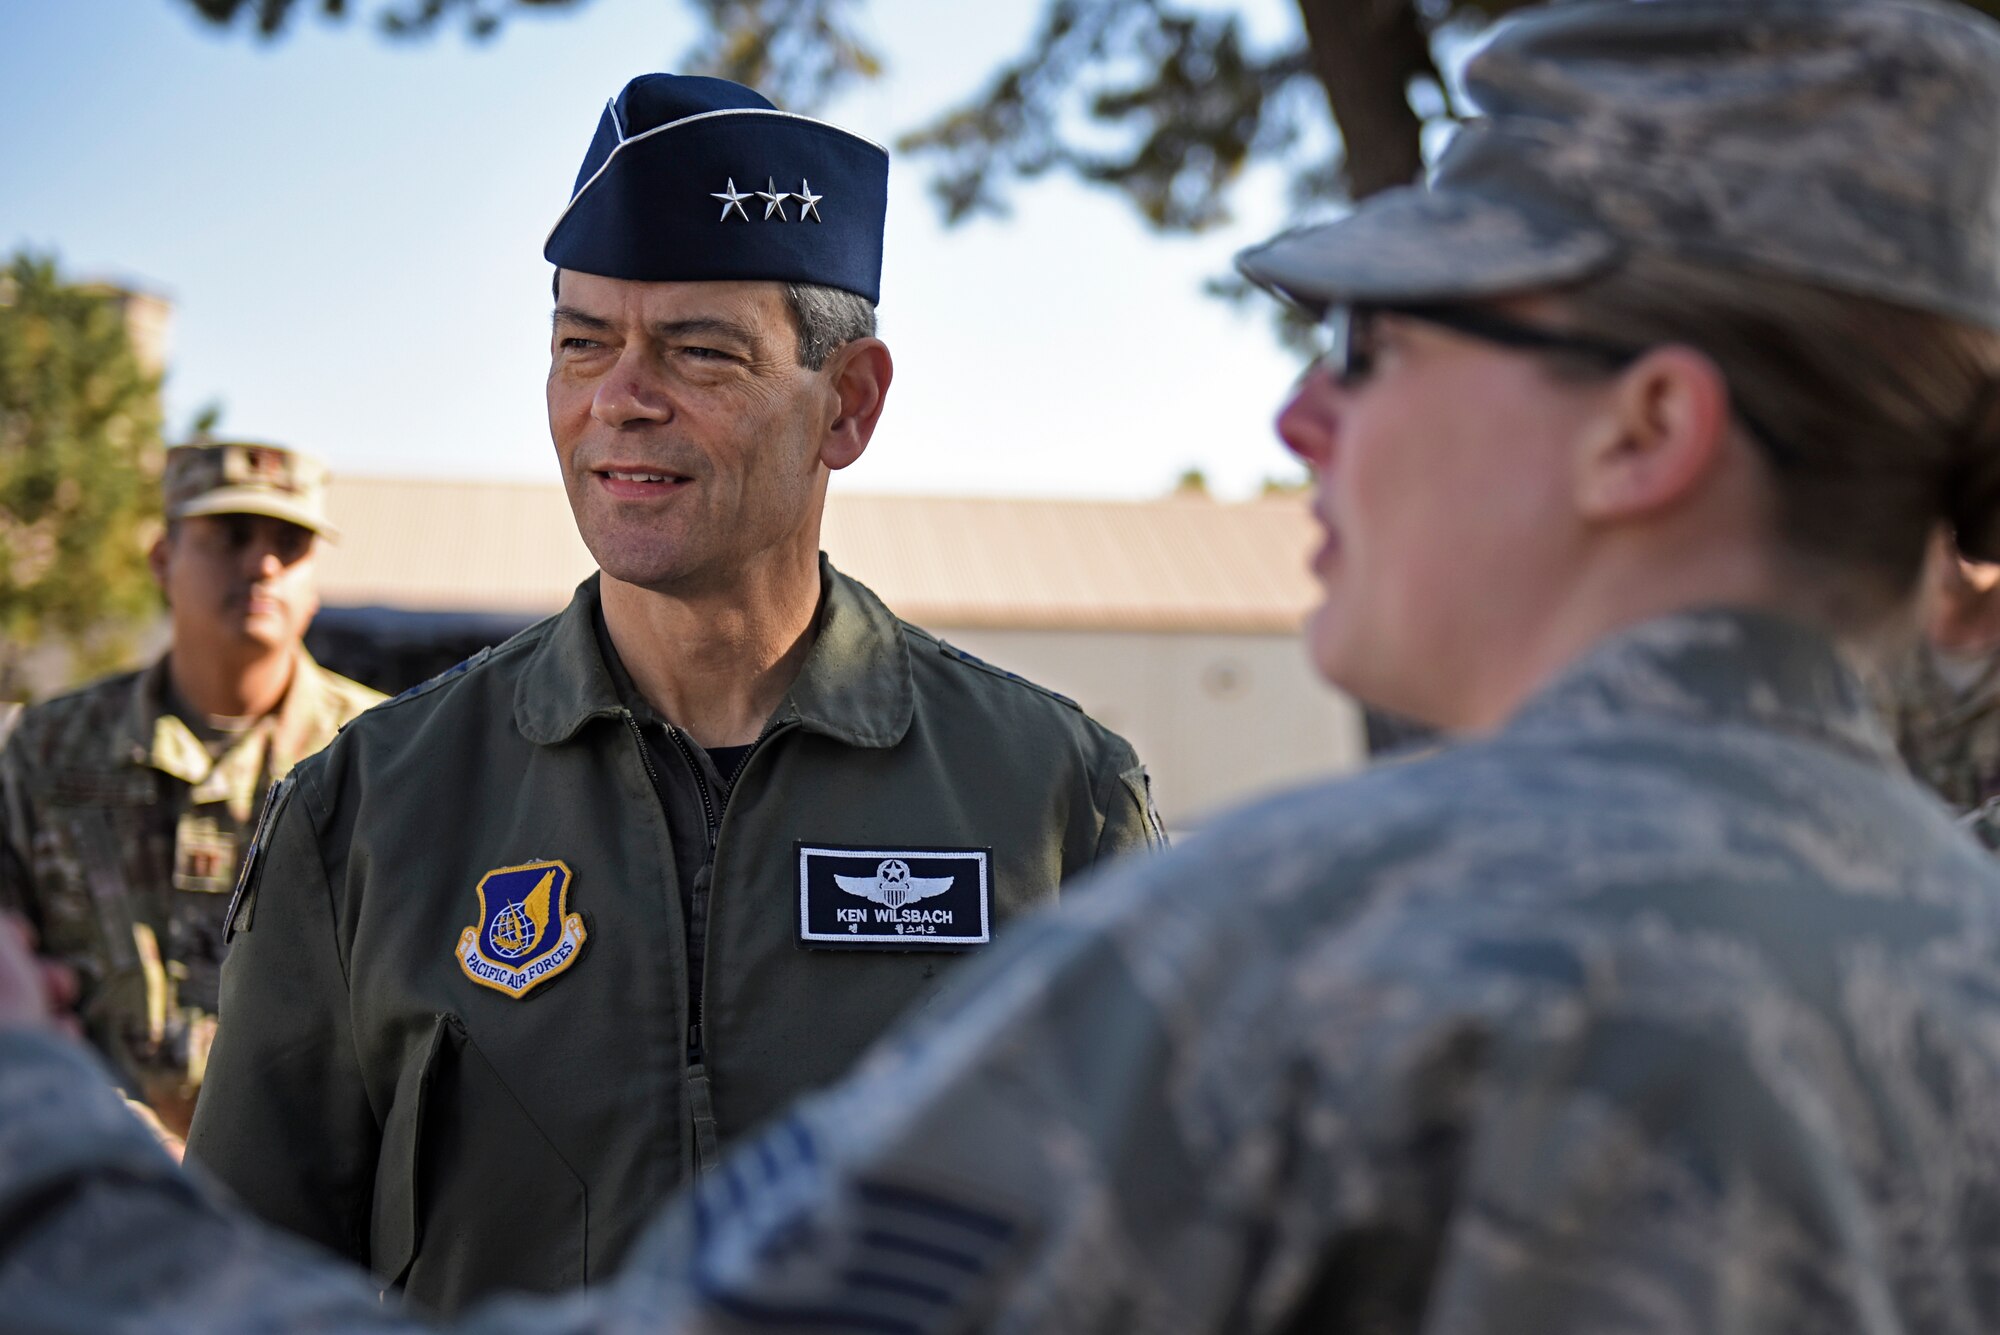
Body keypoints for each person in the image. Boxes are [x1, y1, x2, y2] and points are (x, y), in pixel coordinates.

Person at [14, 0, 2000, 1330]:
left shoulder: (1307, 936)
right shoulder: (1953, 943)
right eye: (579, 338)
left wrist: (30, 1124)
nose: (1301, 423)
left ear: (1640, 432)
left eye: (1380, 347)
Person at [185, 72, 1162, 1315]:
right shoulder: (367, 812)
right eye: (582, 343)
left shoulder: (1051, 799)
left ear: (847, 406)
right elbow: (231, 1287)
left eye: (699, 350)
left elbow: (1164, 1263)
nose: (619, 399)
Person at [0, 442, 381, 1145]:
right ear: (161, 562)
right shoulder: (50, 749)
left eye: (289, 544)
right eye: (230, 536)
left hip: (316, 1198)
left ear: (315, 584)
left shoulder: (383, 754)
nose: (262, 564)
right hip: (93, 1171)